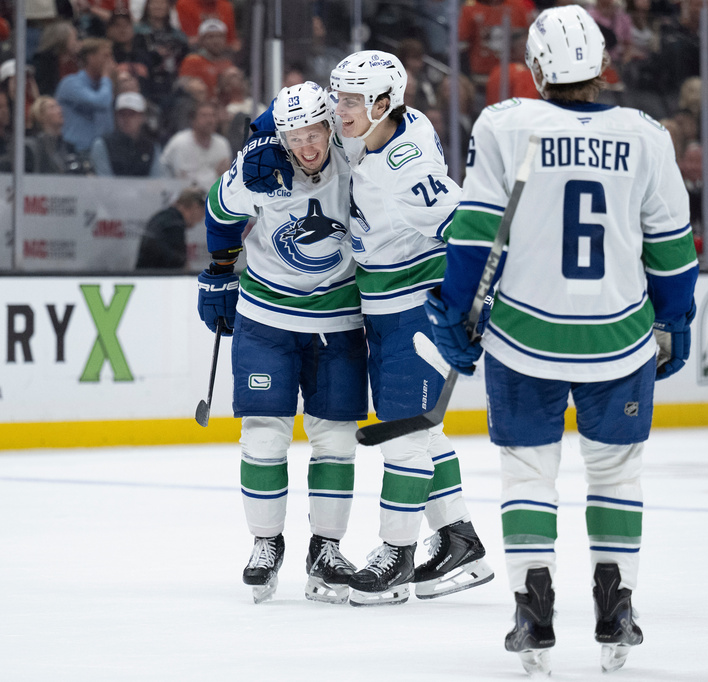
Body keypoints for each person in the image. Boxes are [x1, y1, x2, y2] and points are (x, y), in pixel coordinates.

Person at [424, 6, 697, 675]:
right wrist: (676, 320)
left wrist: (456, 314)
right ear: (604, 63)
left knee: (527, 472)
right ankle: (616, 608)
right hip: (619, 335)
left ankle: (533, 612)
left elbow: (475, 233)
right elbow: (672, 249)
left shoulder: (506, 123)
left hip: (526, 335)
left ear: (538, 66)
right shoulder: (648, 134)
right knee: (616, 474)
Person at [241, 52, 494, 607]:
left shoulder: (402, 170)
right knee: (422, 431)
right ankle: (460, 539)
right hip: (379, 306)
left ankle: (396, 555)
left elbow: (471, 224)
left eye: (351, 101)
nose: (339, 110)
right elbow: (300, 117)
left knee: (404, 433)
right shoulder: (385, 125)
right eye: (340, 97)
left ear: (383, 103)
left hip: (413, 308)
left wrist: (482, 293)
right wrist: (262, 132)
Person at [196, 81, 367, 605]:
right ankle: (265, 544)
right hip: (267, 316)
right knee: (265, 434)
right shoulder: (260, 165)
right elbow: (219, 211)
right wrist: (221, 271)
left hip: (339, 318)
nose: (306, 146)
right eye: (294, 135)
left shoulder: (358, 155)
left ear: (330, 126)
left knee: (335, 439)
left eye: (314, 132)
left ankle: (327, 549)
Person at [54, 37, 115, 154]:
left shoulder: (104, 86)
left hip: (104, 152)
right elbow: (100, 102)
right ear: (90, 58)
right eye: (106, 56)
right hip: (77, 151)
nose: (110, 62)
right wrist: (106, 77)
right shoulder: (71, 83)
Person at [161, 99, 232, 188]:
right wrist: (215, 174)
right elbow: (185, 184)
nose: (210, 120)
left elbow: (225, 180)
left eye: (213, 115)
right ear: (193, 120)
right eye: (204, 116)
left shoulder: (222, 144)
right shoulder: (180, 143)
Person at [90, 91, 163, 176]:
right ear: (115, 117)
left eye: (132, 114)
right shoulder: (102, 144)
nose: (126, 119)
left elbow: (156, 181)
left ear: (142, 117)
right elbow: (104, 181)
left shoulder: (152, 148)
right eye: (122, 114)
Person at [136, 186, 205, 268]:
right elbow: (177, 264)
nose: (202, 217)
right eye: (203, 212)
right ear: (195, 207)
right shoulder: (174, 225)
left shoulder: (164, 217)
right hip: (156, 277)